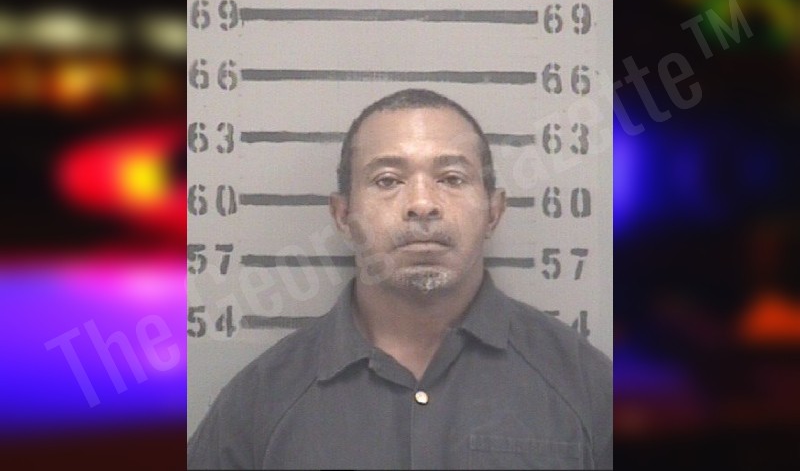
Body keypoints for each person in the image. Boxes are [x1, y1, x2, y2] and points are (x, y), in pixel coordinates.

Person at [187, 88, 613, 469]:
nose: (422, 203)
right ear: (343, 215)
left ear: (493, 211)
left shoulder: (588, 387)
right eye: (387, 180)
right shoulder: (260, 401)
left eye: (452, 178)